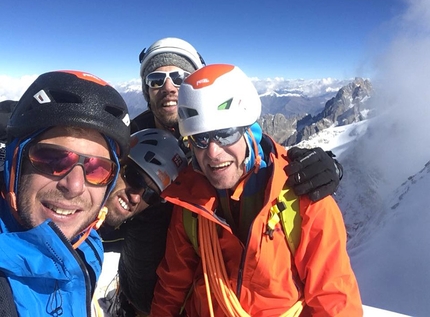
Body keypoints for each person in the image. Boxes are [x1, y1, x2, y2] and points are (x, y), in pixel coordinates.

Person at [102, 37, 344, 316]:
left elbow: (332, 296)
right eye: (156, 79)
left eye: (179, 77)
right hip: (140, 295)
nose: (168, 87)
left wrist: (328, 166)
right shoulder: (125, 144)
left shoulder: (251, 166)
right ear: (146, 89)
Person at [151, 64, 362, 316]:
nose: (213, 152)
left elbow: (333, 299)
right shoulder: (190, 199)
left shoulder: (303, 194)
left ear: (249, 131)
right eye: (200, 138)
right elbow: (173, 284)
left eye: (225, 134)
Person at [0, 70, 130, 316]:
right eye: (52, 158)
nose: (75, 186)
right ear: (15, 163)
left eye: (97, 169)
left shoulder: (85, 244)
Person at [100, 128, 187, 315]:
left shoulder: (150, 223)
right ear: (117, 163)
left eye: (150, 195)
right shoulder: (68, 210)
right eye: (135, 178)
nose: (136, 197)